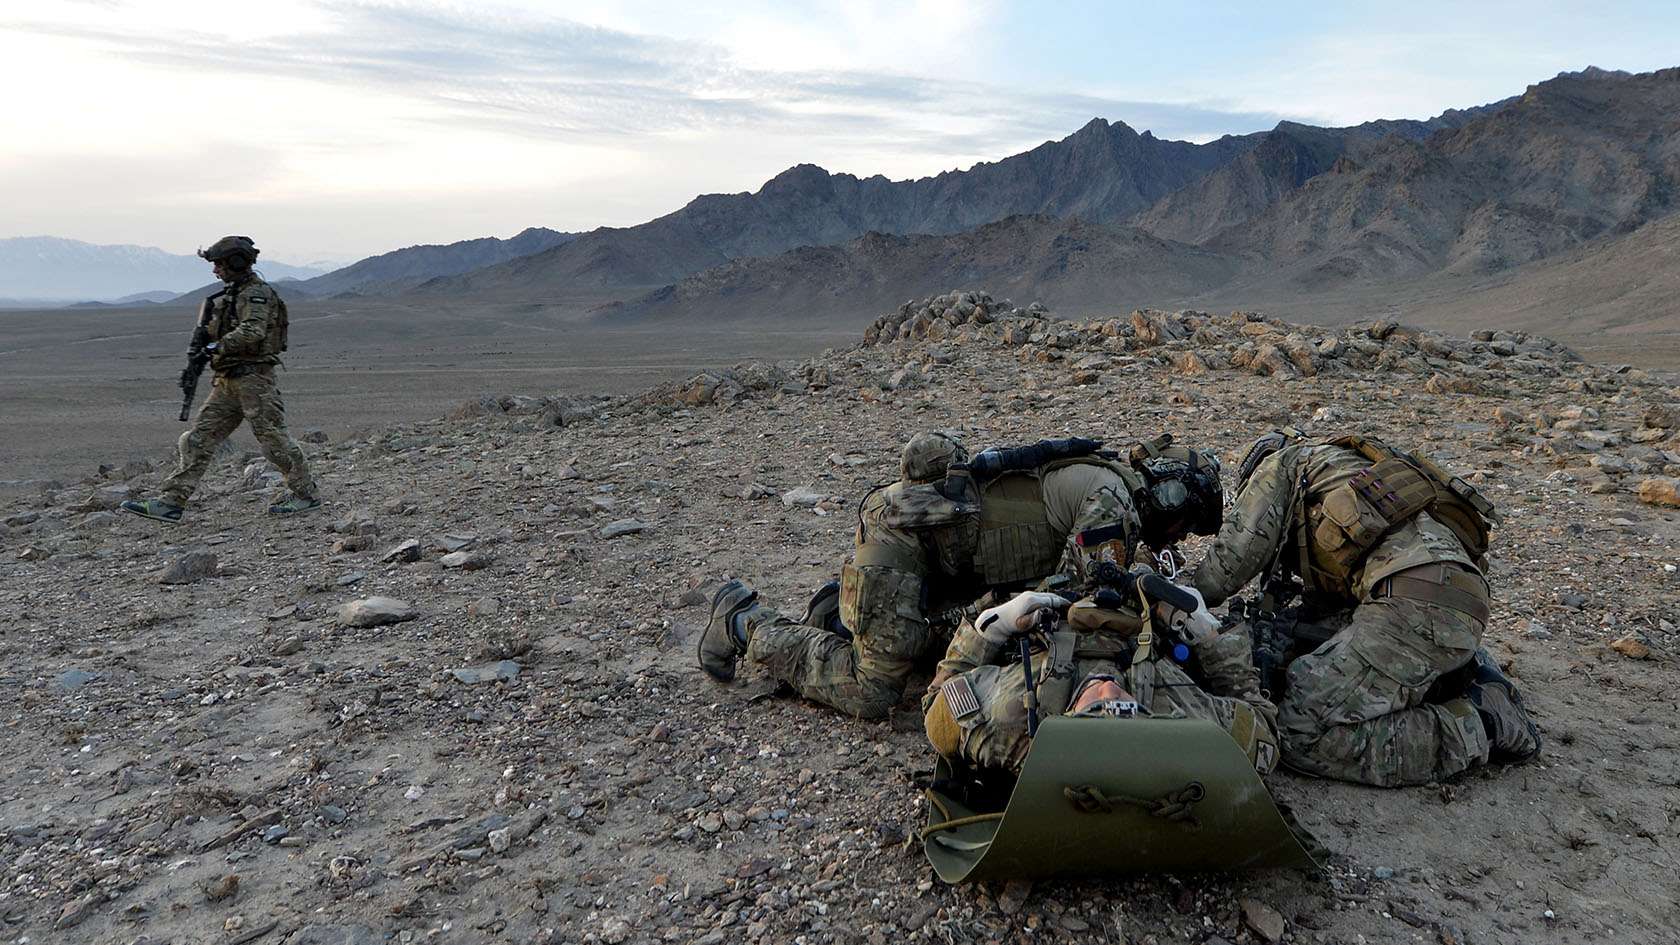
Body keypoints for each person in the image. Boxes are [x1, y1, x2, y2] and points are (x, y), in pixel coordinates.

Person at [697, 432, 1223, 720]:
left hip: (952, 562)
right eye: (1186, 524)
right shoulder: (1112, 500)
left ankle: (846, 616)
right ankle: (745, 622)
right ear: (1171, 497)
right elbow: (1083, 600)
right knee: (874, 690)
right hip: (905, 539)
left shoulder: (1106, 489)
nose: (1178, 538)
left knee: (953, 646)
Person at [1189, 429, 1540, 787]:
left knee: (1300, 730)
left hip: (1412, 606)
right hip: (1457, 602)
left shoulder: (1284, 466)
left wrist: (1181, 600)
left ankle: (1484, 723)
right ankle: (1453, 677)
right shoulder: (1352, 472)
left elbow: (1228, 567)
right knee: (1313, 663)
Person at [920, 584, 1280, 775]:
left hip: (1053, 612)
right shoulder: (1181, 713)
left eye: (1096, 711)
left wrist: (990, 629)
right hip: (1140, 617)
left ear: (1064, 722)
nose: (1108, 688)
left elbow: (937, 707)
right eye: (1126, 709)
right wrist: (1210, 638)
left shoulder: (1011, 721)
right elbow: (1263, 734)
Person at [121, 236, 320, 524]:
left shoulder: (256, 295)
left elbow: (253, 332)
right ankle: (171, 502)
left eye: (219, 264)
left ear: (236, 262)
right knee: (197, 440)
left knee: (274, 441)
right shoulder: (231, 295)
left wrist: (217, 346)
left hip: (254, 381)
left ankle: (306, 495)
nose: (215, 271)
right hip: (228, 382)